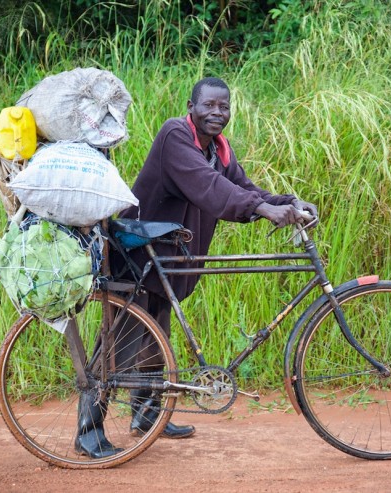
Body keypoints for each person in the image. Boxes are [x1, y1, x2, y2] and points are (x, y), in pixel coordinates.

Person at [74, 77, 316, 458]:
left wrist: (288, 201)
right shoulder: (176, 136)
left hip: (170, 261)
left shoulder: (218, 149)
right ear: (191, 106)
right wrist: (262, 210)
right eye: (209, 106)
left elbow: (242, 187)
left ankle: (147, 416)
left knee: (156, 343)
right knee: (118, 344)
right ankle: (87, 433)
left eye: (224, 107)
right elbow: (207, 186)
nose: (217, 113)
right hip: (139, 255)